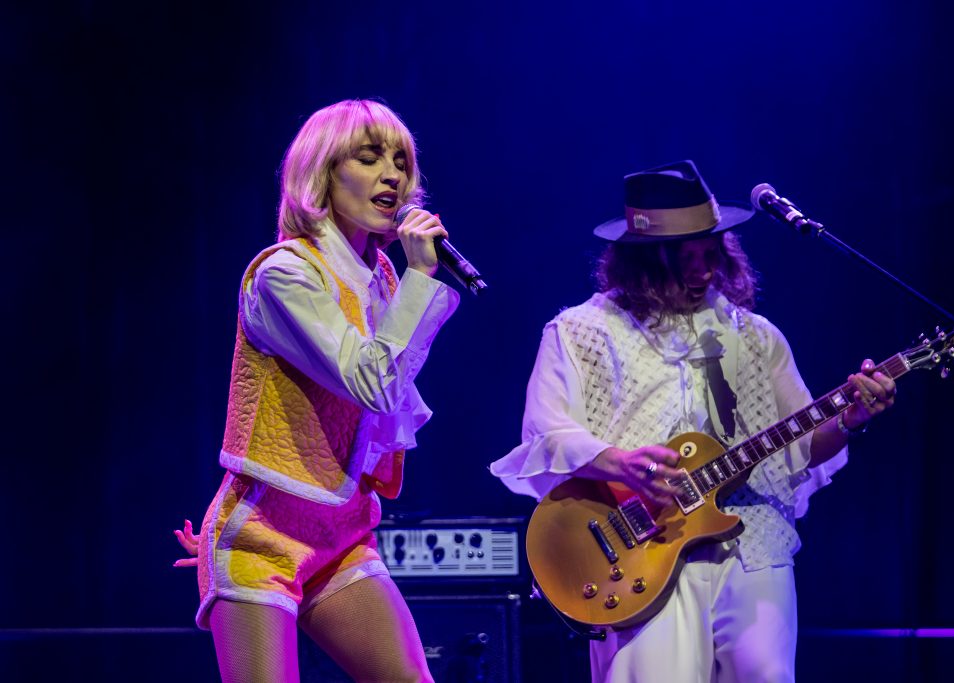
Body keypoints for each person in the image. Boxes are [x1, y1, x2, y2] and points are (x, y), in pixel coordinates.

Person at [489, 160, 896, 683]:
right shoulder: (581, 330)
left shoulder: (757, 336)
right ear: (640, 262)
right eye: (684, 259)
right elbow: (546, 433)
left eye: (711, 253)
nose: (703, 270)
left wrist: (851, 419)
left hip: (754, 544)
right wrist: (620, 463)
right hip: (640, 548)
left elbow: (799, 447)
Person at [186, 99, 458, 683]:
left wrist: (411, 282)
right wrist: (421, 280)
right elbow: (371, 382)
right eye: (369, 158)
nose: (393, 175)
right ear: (321, 175)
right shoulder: (286, 273)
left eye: (402, 162)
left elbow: (390, 395)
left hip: (343, 533)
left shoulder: (383, 276)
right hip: (262, 537)